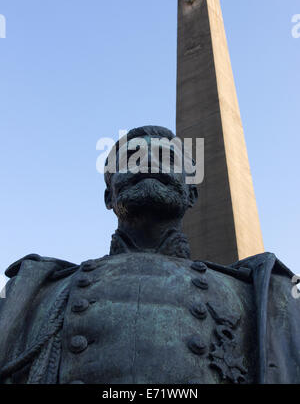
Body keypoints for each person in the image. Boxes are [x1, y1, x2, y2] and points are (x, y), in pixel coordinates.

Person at [0, 125, 299, 384]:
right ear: (109, 196)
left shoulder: (261, 296)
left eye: (168, 159)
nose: (149, 164)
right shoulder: (36, 294)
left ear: (191, 194)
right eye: (132, 159)